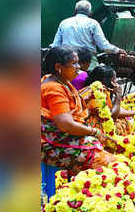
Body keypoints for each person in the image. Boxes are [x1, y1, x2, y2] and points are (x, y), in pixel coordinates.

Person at [41, 47, 116, 175]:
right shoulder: (54, 88)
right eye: (74, 63)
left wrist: (88, 97)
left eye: (78, 62)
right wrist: (94, 131)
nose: (79, 67)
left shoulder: (60, 81)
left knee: (99, 144)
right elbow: (66, 125)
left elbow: (70, 107)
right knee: (106, 162)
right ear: (58, 67)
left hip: (62, 136)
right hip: (51, 143)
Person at [50, 0, 127, 71]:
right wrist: (118, 50)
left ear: (75, 11)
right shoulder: (93, 23)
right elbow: (103, 46)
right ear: (90, 12)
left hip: (68, 62)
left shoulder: (64, 23)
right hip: (88, 63)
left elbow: (55, 45)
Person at [79, 66, 135, 138]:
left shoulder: (92, 87)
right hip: (90, 126)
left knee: (124, 119)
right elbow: (111, 116)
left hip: (86, 121)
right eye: (115, 78)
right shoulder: (97, 93)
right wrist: (118, 96)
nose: (116, 81)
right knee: (123, 124)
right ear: (111, 81)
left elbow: (112, 109)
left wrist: (134, 112)